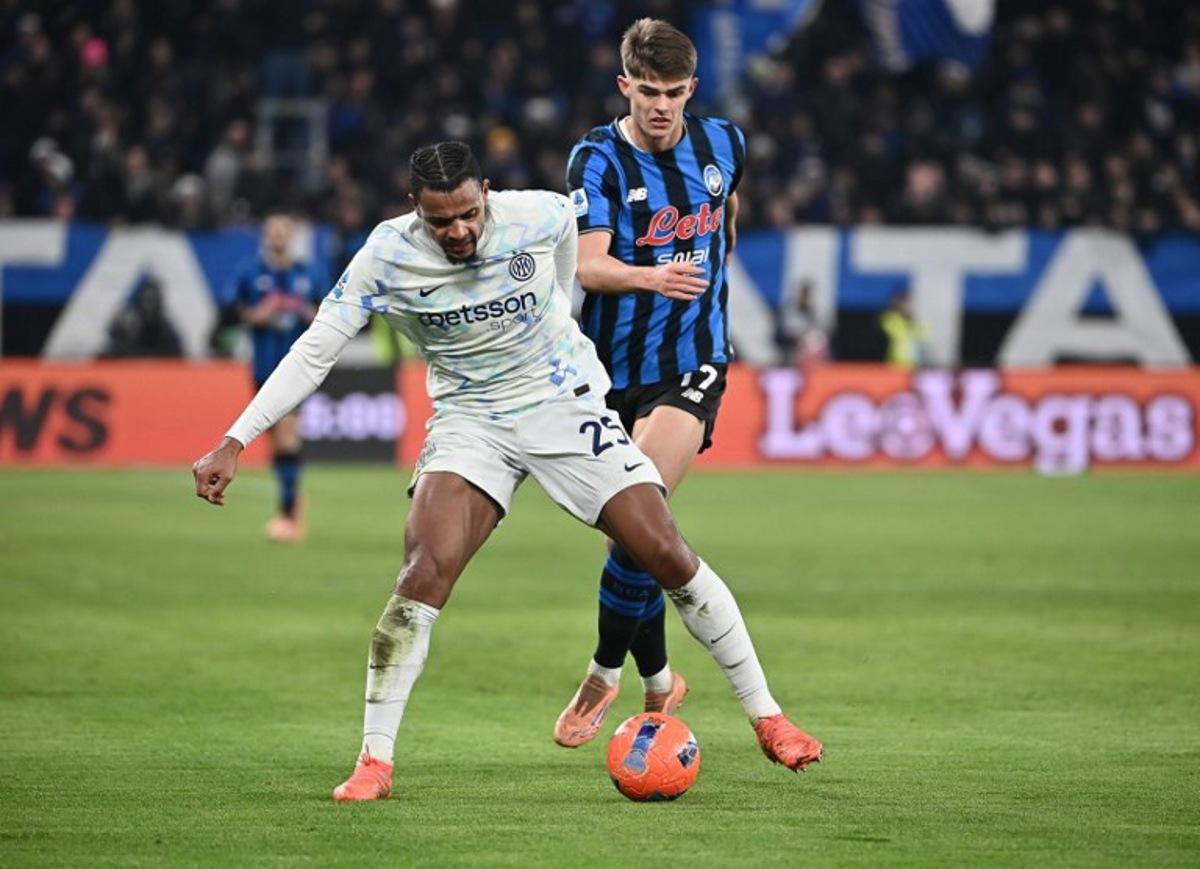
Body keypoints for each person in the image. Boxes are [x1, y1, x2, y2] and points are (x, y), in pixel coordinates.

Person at [192, 141, 822, 802]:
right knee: (421, 573)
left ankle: (768, 717)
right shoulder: (385, 256)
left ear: (486, 192)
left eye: (468, 213)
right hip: (470, 419)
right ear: (415, 210)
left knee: (662, 548)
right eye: (442, 222)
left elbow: (565, 270)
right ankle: (375, 761)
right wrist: (236, 439)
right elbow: (315, 349)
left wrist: (555, 332)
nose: (459, 230)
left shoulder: (541, 214)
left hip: (560, 401)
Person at [553, 18, 742, 747]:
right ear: (624, 86)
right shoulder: (596, 159)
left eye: (674, 93)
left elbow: (725, 215)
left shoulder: (725, 143)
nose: (661, 107)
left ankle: (604, 670)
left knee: (643, 515)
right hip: (611, 374)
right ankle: (661, 680)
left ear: (691, 89)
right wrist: (651, 276)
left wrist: (714, 263)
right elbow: (588, 265)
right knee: (633, 539)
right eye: (648, 92)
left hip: (694, 362)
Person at [229, 213, 322, 541]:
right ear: (265, 236)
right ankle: (292, 494)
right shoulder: (250, 273)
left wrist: (305, 313)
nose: (278, 237)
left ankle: (288, 515)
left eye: (284, 231)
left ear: (292, 236)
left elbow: (325, 315)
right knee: (275, 441)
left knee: (286, 436)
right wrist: (258, 315)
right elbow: (233, 315)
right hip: (262, 367)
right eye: (273, 232)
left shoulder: (309, 273)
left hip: (297, 368)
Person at [879, 288, 931, 371]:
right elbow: (896, 333)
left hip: (916, 366)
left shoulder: (920, 321)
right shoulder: (889, 319)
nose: (905, 305)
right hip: (895, 364)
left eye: (907, 303)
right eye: (902, 302)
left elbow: (926, 338)